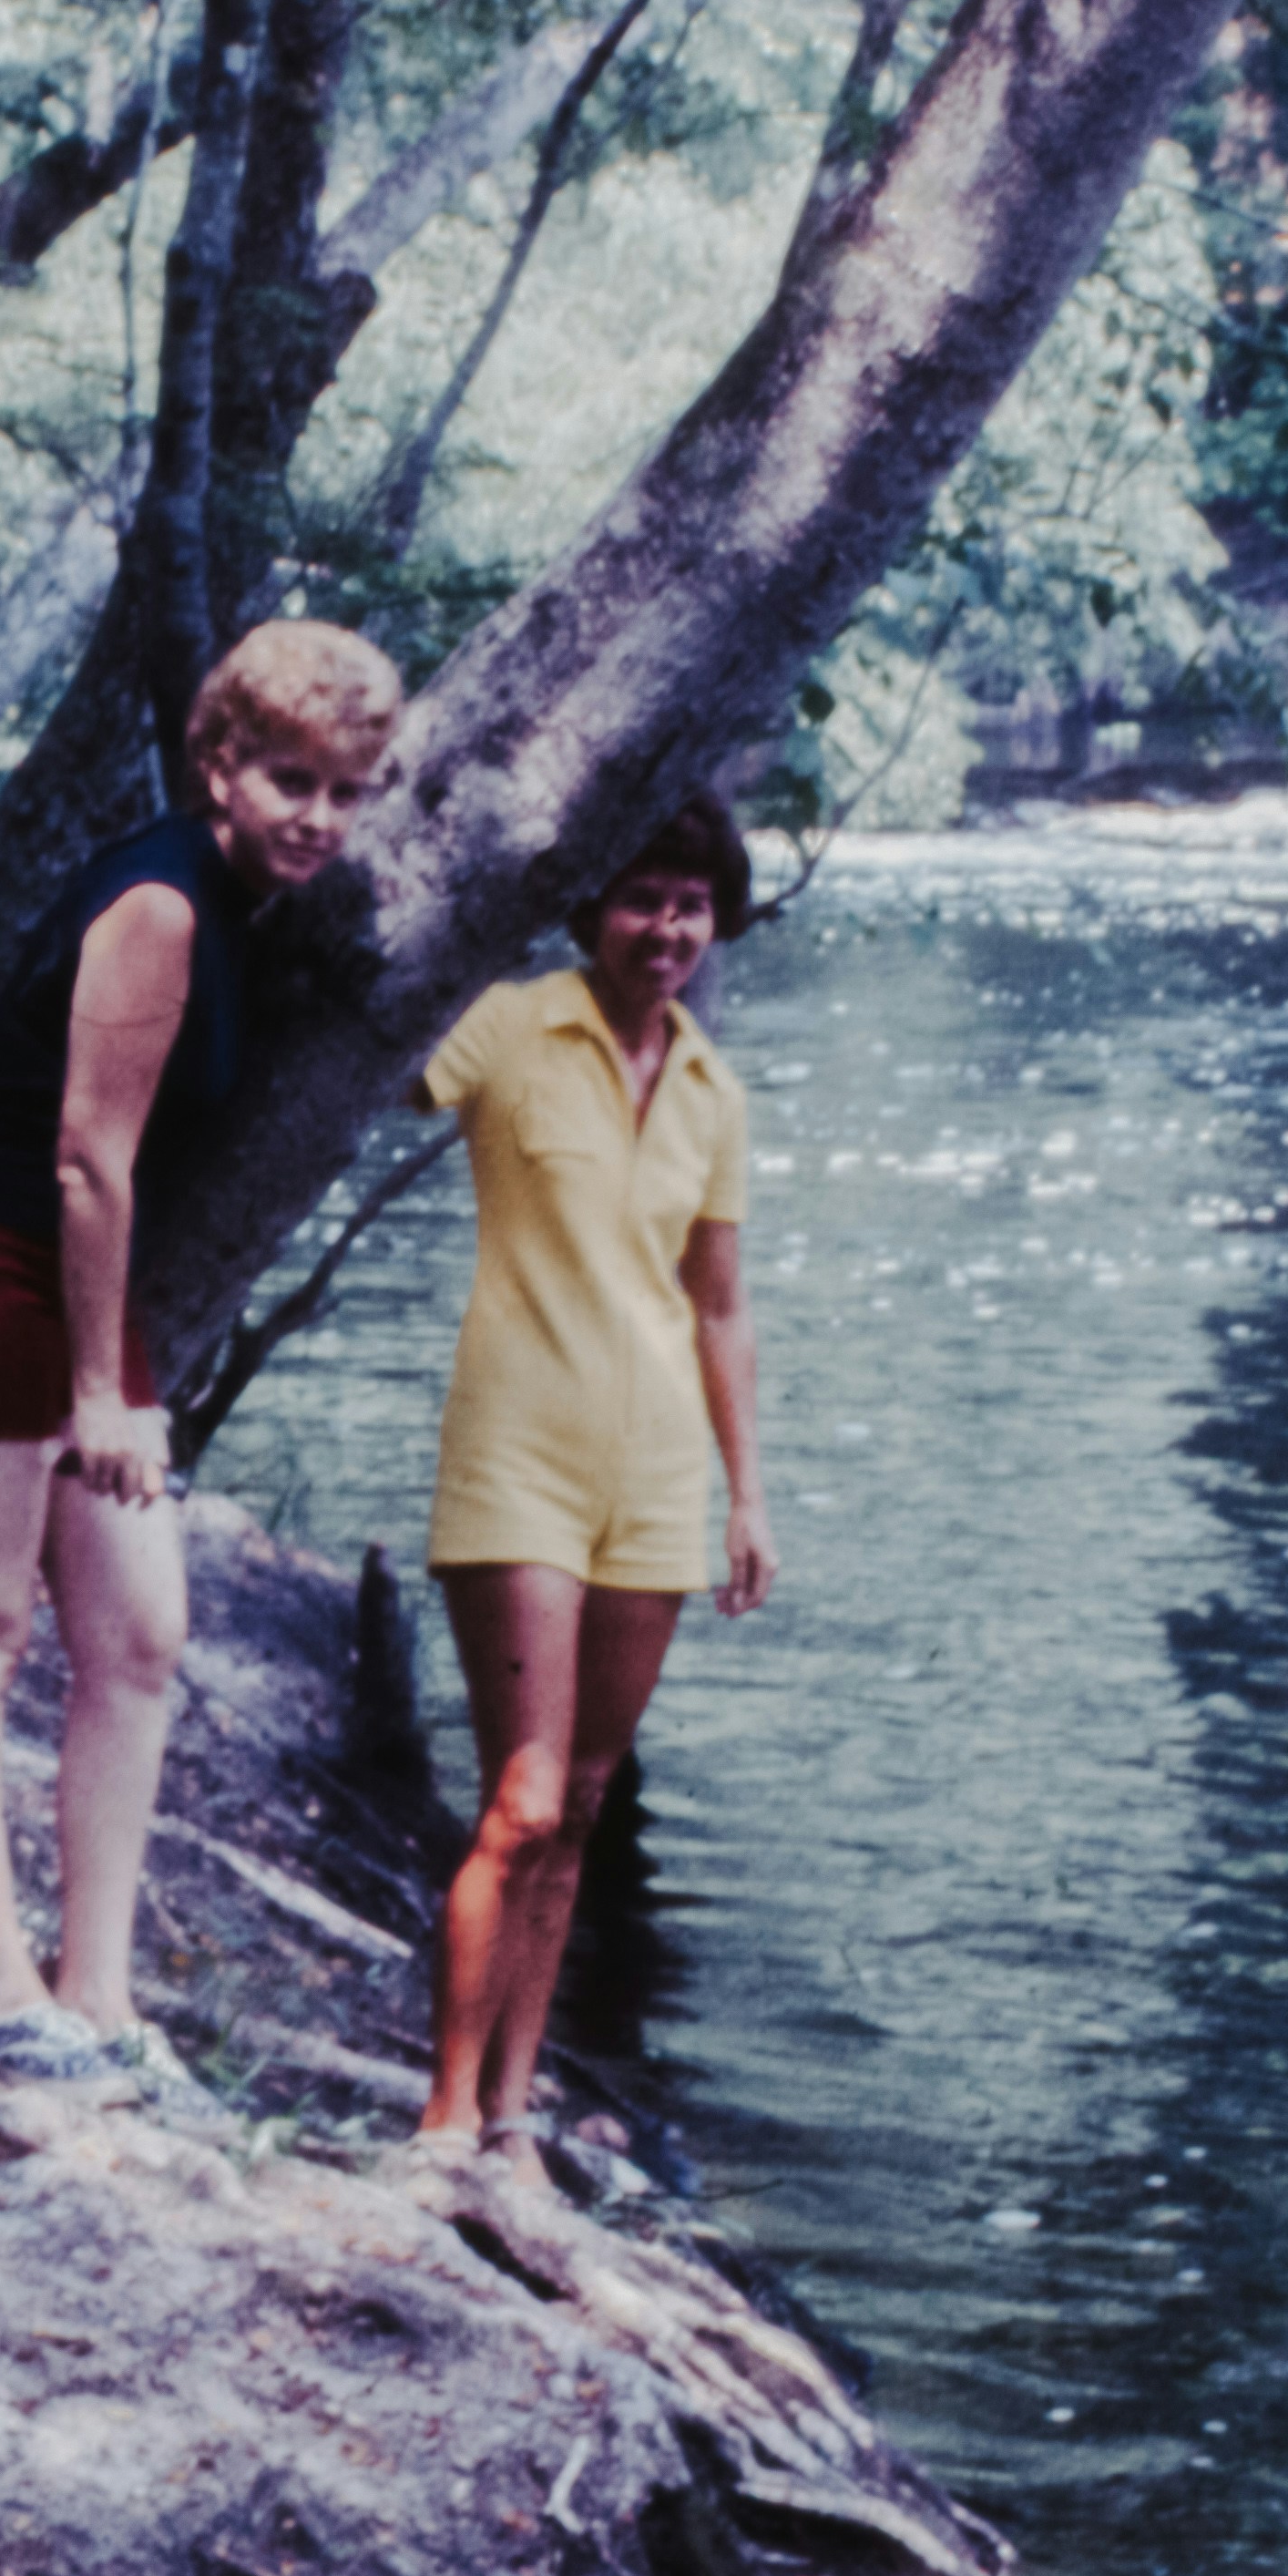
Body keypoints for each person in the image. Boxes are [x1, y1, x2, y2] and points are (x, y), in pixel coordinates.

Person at [0, 619, 404, 2110]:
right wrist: (100, 1392)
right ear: (218, 762)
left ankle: (97, 1997)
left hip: (64, 1275)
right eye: (291, 778)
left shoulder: (234, 911)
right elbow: (90, 1159)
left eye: (347, 793)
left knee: (142, 1634)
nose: (318, 818)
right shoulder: (161, 901)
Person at [410, 793, 774, 2172]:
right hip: (517, 1458)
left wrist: (749, 1497)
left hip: (658, 1477)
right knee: (523, 1800)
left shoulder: (712, 1090)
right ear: (587, 909)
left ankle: (512, 2108)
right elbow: (370, 1069)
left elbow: (723, 1306)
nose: (665, 928)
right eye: (641, 898)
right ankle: (442, 2118)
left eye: (689, 904)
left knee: (590, 1805)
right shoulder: (510, 1028)